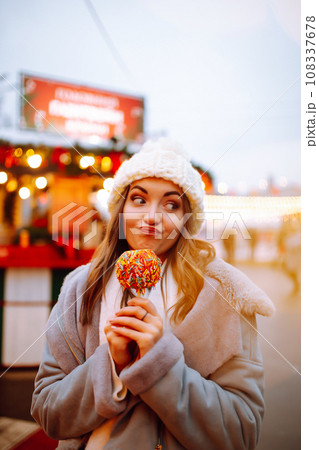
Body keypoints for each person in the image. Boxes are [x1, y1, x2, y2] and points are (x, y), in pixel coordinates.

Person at [31, 139, 275, 449]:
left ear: (187, 219)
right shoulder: (81, 289)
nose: (152, 217)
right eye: (138, 199)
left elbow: (241, 434)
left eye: (171, 204)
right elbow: (49, 414)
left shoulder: (224, 294)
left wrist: (159, 360)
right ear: (120, 209)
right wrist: (112, 364)